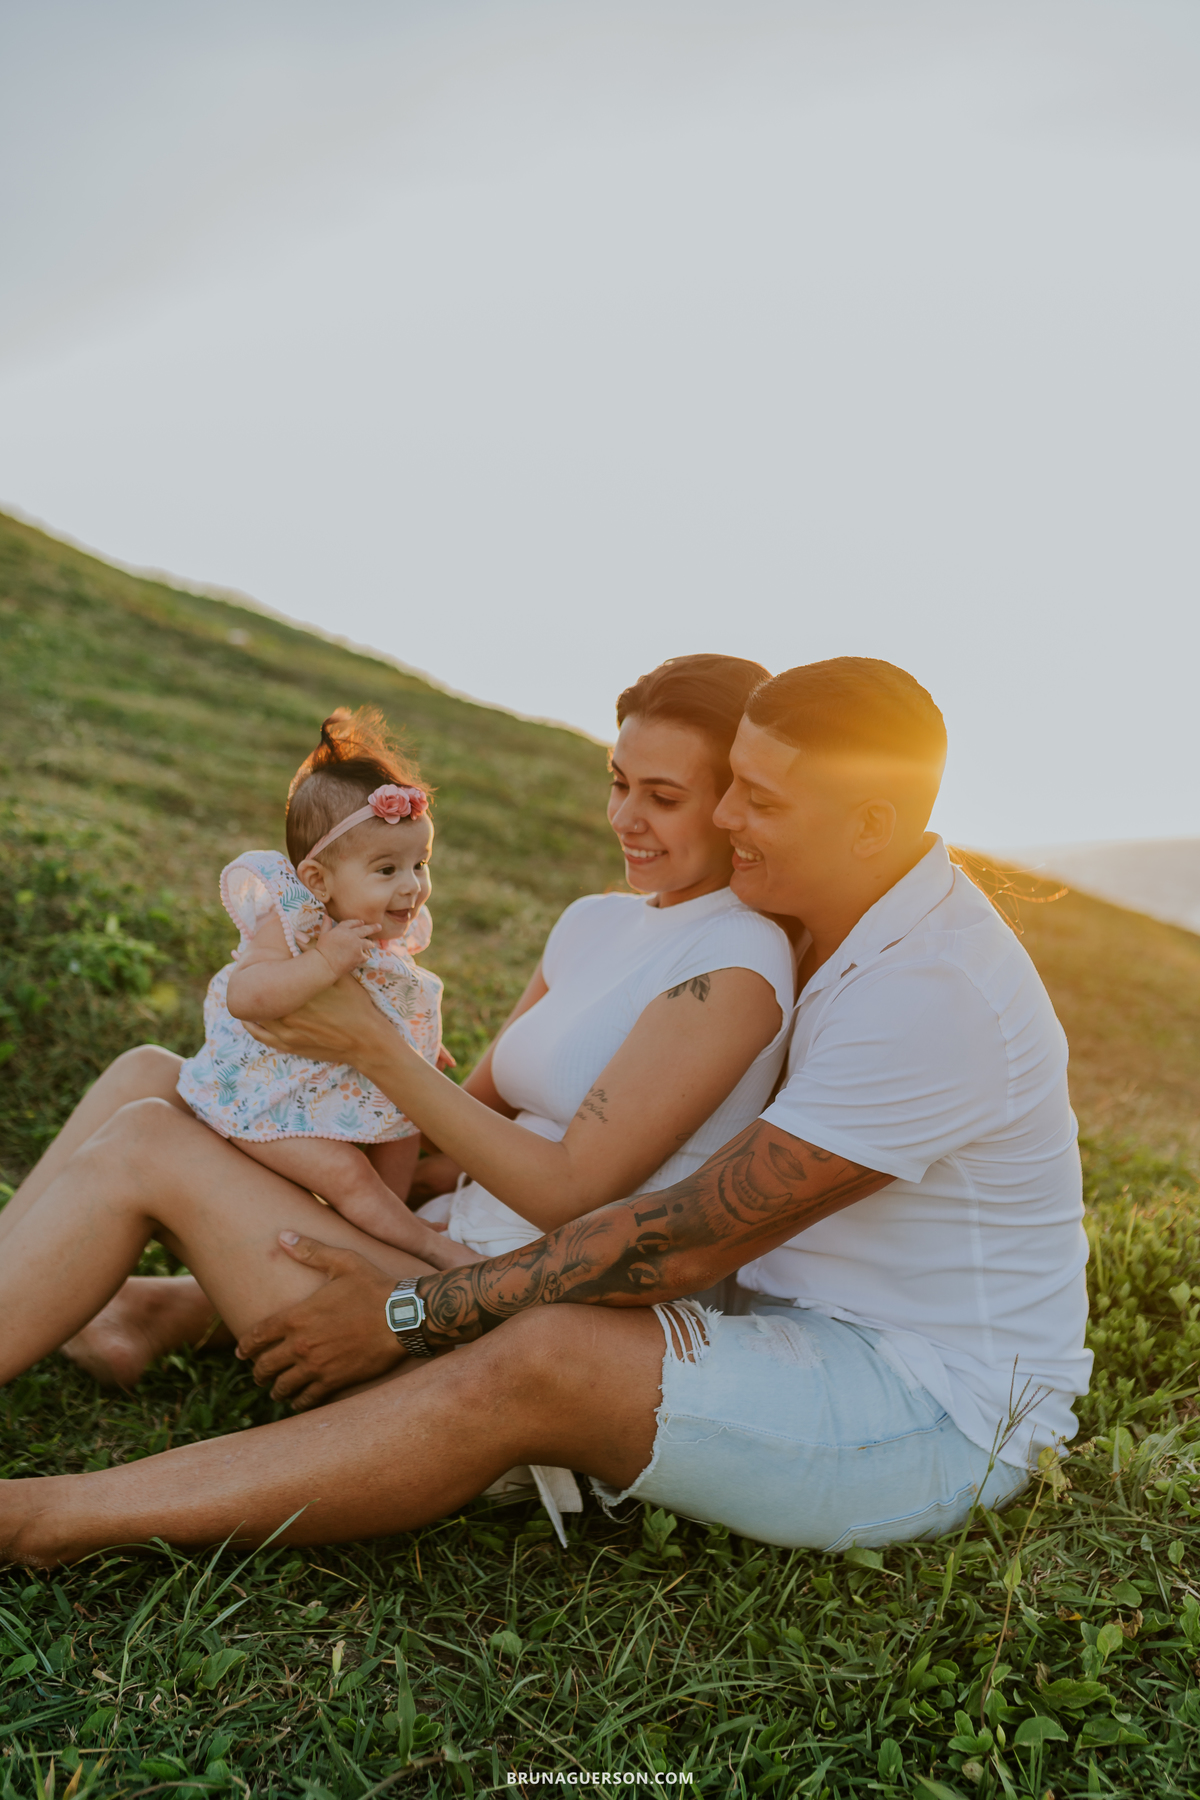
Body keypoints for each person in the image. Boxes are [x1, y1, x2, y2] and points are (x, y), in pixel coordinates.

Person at [0, 657, 1092, 1566]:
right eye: (722, 786)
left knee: (547, 1354)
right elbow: (476, 1128)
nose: (722, 817)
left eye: (752, 801)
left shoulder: (927, 991)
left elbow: (673, 1237)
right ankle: (155, 1308)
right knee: (160, 1081)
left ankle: (48, 1520)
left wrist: (404, 1304)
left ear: (870, 823)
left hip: (930, 1403)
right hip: (744, 1311)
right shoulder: (772, 920)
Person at [0, 653, 792, 1391]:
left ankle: (139, 1301)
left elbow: (571, 1194)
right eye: (619, 783)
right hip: (429, 1235)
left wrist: (373, 1049)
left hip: (501, 1305)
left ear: (734, 803)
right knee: (150, 1073)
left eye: (663, 797)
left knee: (145, 1141)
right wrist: (312, 1122)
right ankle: (117, 1303)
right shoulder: (593, 922)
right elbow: (464, 1125)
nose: (625, 817)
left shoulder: (735, 961)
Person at [174, 706, 473, 1264]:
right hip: (266, 1097)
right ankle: (424, 1246)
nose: (412, 887)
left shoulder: (380, 927)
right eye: (387, 870)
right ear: (317, 879)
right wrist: (321, 964)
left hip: (332, 1075)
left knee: (409, 1117)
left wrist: (418, 1043)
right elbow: (247, 996)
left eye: (421, 864)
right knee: (346, 1172)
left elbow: (379, 1001)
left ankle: (394, 1212)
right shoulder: (293, 922)